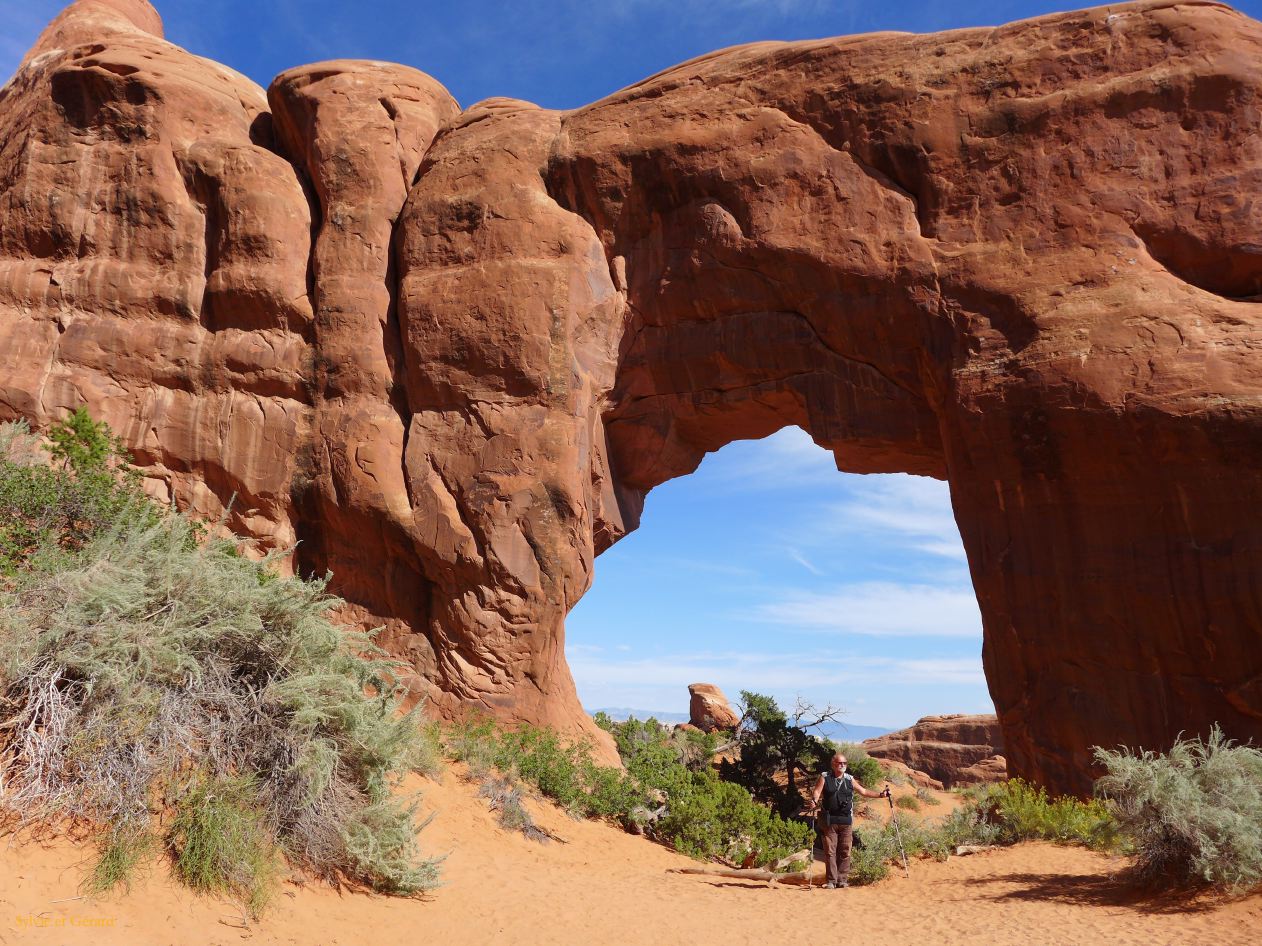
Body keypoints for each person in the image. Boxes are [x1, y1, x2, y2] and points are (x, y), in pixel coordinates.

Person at [808, 752, 889, 888]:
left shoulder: (849, 779)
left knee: (845, 850)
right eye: (840, 763)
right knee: (830, 851)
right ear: (833, 764)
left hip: (846, 821)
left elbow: (863, 791)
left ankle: (842, 880)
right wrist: (814, 800)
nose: (843, 765)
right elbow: (817, 791)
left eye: (845, 763)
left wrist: (880, 795)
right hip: (829, 821)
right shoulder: (825, 777)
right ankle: (831, 881)